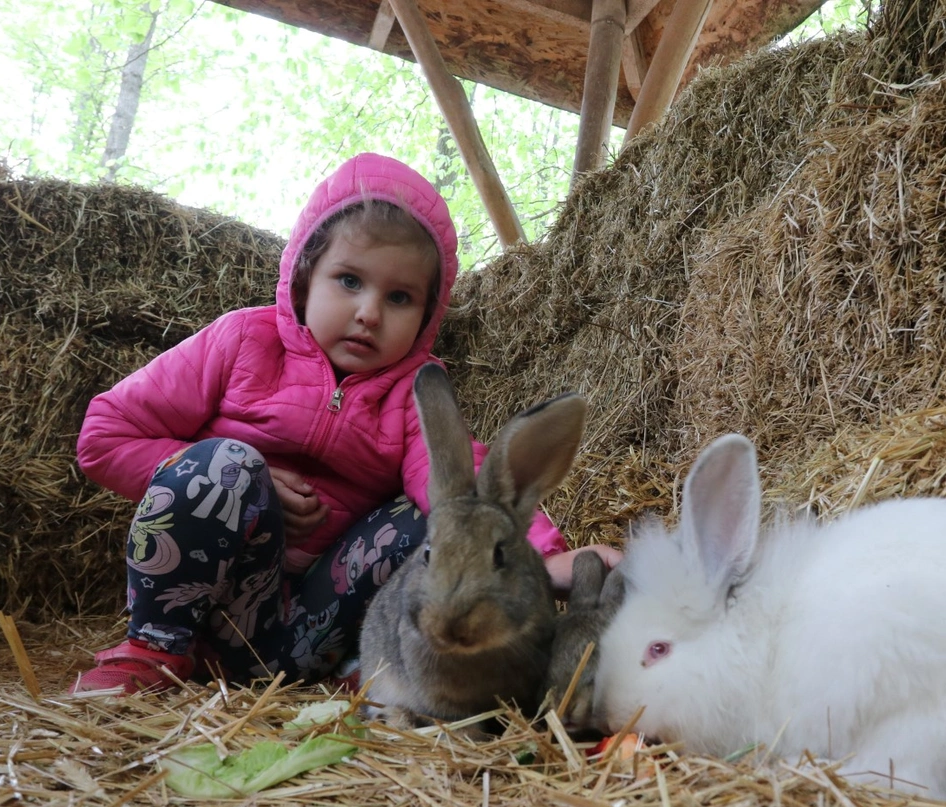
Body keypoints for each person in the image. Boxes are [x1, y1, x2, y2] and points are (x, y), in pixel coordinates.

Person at [72, 152, 619, 694]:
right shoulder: (242, 341)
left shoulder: (413, 389)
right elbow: (105, 435)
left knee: (422, 517)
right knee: (226, 465)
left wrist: (545, 556)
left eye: (400, 297)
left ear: (428, 315)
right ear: (306, 278)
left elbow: (465, 489)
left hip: (314, 628)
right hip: (204, 607)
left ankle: (369, 663)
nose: (370, 313)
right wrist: (243, 473)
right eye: (350, 281)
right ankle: (155, 648)